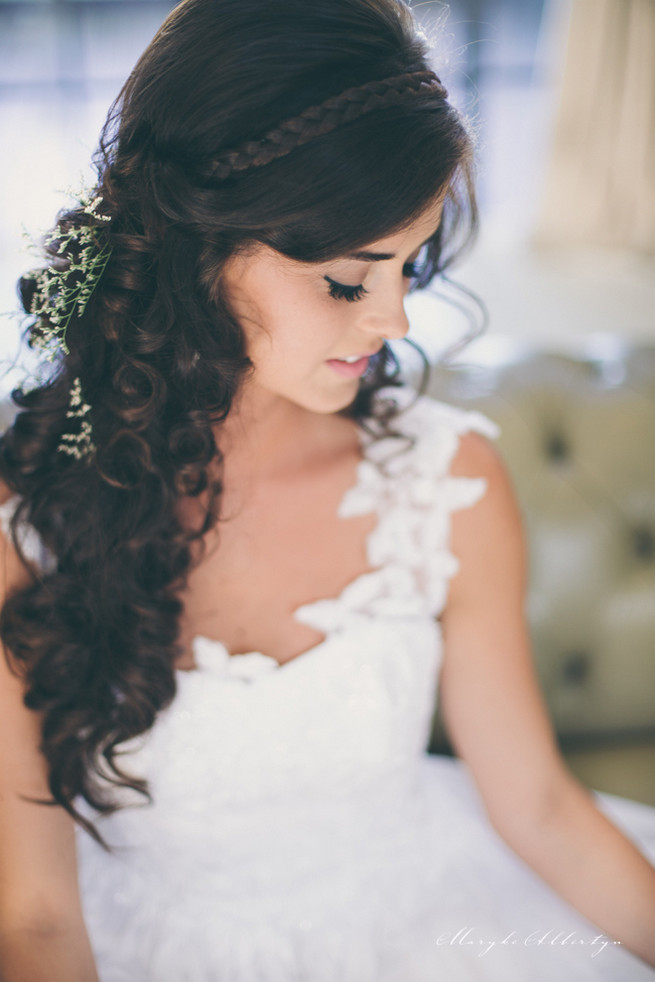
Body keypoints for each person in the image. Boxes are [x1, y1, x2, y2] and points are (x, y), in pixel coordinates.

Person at [0, 1, 654, 979]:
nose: (392, 318)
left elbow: (541, 809)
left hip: (434, 925)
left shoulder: (446, 480)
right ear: (198, 245)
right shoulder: (28, 522)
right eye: (349, 281)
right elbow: (36, 915)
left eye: (409, 266)